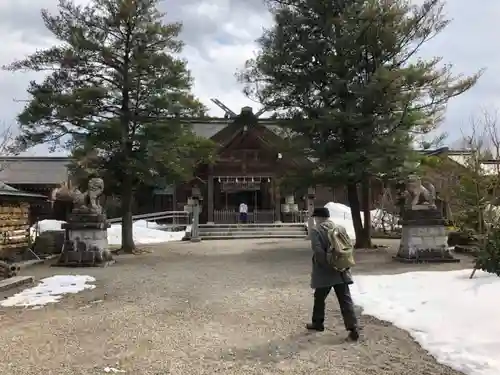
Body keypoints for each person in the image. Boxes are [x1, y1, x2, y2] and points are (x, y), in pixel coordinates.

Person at [307, 207, 359, 341]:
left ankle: (318, 323)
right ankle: (353, 328)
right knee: (345, 300)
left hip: (325, 272)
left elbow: (318, 251)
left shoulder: (316, 231)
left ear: (318, 218)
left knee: (319, 297)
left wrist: (326, 265)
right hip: (342, 270)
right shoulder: (339, 228)